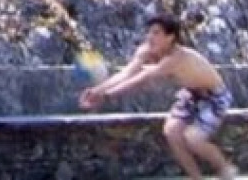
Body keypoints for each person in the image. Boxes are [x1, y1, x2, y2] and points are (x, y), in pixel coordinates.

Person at [79, 15, 238, 180]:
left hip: (214, 97)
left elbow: (142, 78)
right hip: (191, 94)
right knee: (171, 132)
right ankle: (195, 177)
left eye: (156, 33)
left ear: (170, 37)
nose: (150, 37)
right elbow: (127, 73)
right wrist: (97, 91)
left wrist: (106, 96)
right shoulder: (145, 50)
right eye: (149, 32)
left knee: (193, 139)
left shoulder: (177, 57)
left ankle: (225, 169)